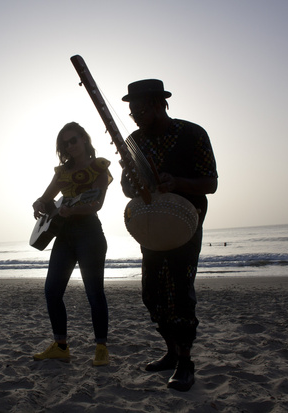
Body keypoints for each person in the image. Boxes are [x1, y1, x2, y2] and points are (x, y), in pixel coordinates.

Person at [120, 79, 218, 391]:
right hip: (150, 226)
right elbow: (126, 188)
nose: (135, 118)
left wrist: (175, 182)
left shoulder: (192, 134)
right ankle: (172, 351)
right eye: (132, 113)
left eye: (140, 111)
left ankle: (185, 362)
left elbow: (210, 183)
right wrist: (136, 183)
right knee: (151, 293)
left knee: (180, 291)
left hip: (185, 224)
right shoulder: (134, 141)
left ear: (158, 104)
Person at [32, 121, 112, 366]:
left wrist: (74, 210)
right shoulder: (62, 172)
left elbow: (96, 204)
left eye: (73, 140)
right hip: (64, 235)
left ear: (84, 139)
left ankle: (101, 348)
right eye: (65, 143)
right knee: (52, 291)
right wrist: (38, 204)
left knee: (94, 293)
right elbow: (46, 198)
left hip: (89, 234)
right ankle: (60, 346)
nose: (70, 146)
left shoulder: (99, 168)